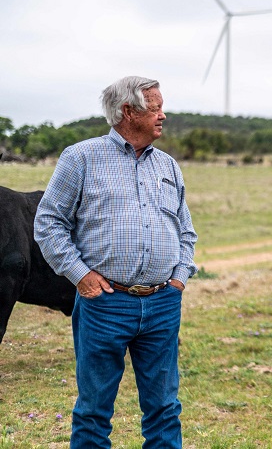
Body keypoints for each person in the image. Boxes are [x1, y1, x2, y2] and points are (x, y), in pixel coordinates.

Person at [34, 76, 197, 448]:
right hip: (104, 303)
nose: (163, 115)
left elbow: (185, 229)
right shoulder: (81, 157)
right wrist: (80, 275)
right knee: (93, 411)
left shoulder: (168, 166)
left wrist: (179, 277)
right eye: (155, 108)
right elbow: (48, 222)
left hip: (162, 303)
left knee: (164, 408)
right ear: (128, 112)